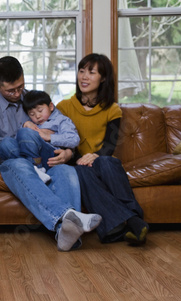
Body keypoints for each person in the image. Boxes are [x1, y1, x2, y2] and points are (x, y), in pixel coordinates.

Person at [0, 56, 102, 252]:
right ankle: (68, 217)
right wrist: (21, 151)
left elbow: (62, 128)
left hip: (44, 160)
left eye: (21, 86)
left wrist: (68, 153)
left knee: (66, 171)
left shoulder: (35, 100)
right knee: (21, 164)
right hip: (12, 161)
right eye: (11, 90)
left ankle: (65, 235)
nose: (18, 93)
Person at [56, 53, 149, 245]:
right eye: (81, 71)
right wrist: (82, 158)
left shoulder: (112, 109)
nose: (84, 77)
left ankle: (116, 228)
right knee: (81, 172)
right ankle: (134, 220)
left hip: (103, 160)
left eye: (91, 72)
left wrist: (95, 156)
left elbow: (109, 145)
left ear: (103, 78)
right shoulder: (64, 107)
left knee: (107, 161)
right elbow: (62, 143)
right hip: (76, 162)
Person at [0, 90, 79, 182]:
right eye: (32, 114)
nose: (37, 116)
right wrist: (26, 124)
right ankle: (31, 167)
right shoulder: (32, 123)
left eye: (40, 110)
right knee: (6, 143)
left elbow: (74, 139)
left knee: (25, 133)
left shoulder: (61, 120)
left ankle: (37, 169)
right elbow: (20, 143)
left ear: (51, 106)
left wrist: (49, 137)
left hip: (49, 155)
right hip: (30, 155)